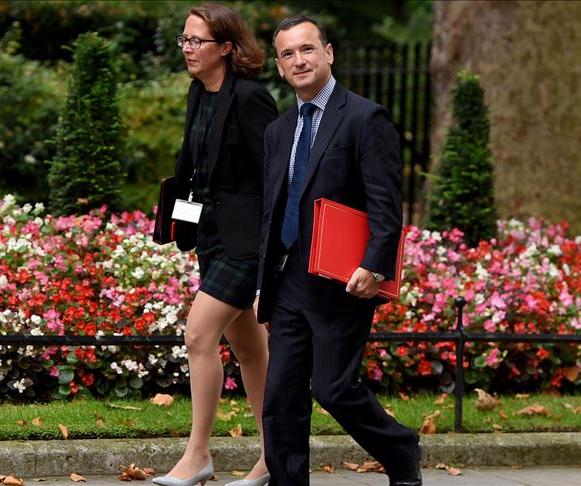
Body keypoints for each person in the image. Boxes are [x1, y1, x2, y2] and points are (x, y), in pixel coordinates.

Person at [254, 14, 422, 486]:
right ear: (280, 67)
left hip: (341, 278)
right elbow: (272, 211)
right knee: (280, 398)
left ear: (328, 53)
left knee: (333, 388)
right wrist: (263, 282)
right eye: (288, 54)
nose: (299, 60)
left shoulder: (365, 118)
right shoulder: (278, 131)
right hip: (287, 278)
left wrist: (375, 264)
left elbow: (385, 203)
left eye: (307, 49)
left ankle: (399, 448)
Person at [153, 4, 277, 486]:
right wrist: (179, 220)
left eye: (196, 41)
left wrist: (273, 249)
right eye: (184, 40)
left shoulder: (250, 98)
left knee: (198, 335)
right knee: (249, 348)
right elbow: (194, 167)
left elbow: (274, 176)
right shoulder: (198, 92)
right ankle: (275, 455)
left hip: (245, 243)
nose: (187, 49)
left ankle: (198, 455)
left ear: (225, 47)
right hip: (210, 237)